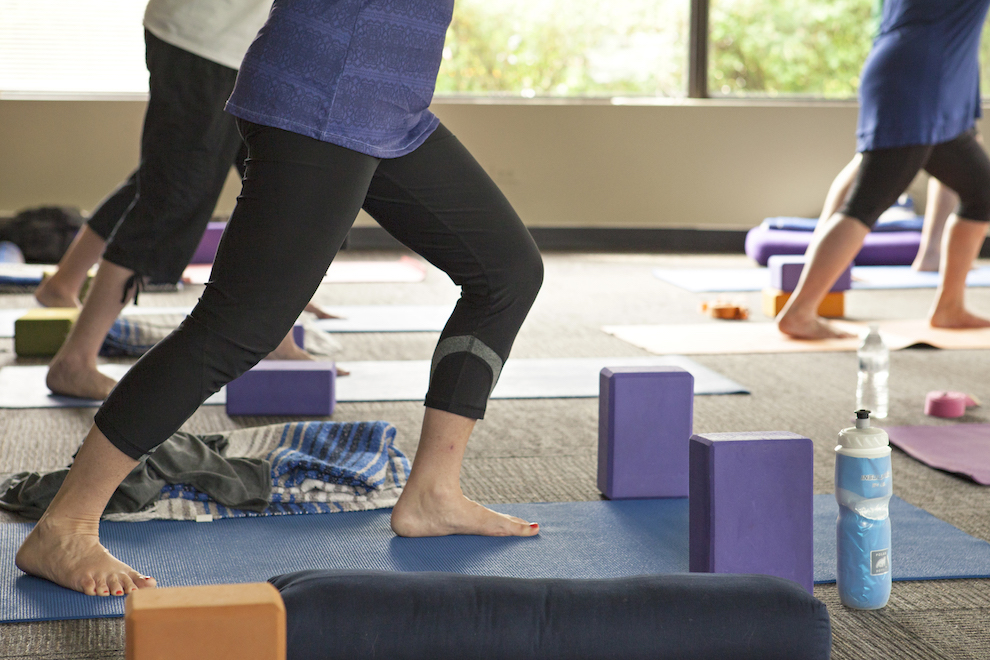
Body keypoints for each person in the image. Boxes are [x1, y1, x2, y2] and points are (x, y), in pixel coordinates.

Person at [16, 0, 544, 597]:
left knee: (506, 272)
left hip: (389, 102)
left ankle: (433, 493)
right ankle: (66, 524)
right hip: (326, 91)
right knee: (236, 328)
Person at [33, 0, 324, 402]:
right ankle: (74, 360)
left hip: (248, 47)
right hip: (206, 42)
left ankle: (277, 339)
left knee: (272, 185)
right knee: (171, 193)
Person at [778, 0, 990, 339]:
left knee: (981, 192)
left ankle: (950, 307)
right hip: (920, 83)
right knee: (867, 202)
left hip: (923, 78)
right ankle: (800, 312)